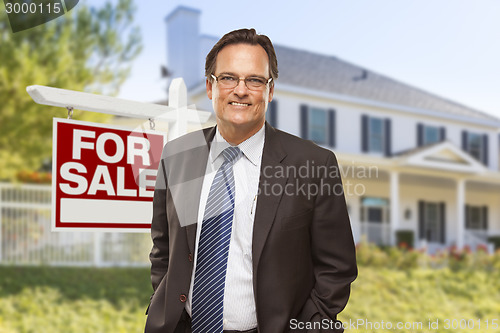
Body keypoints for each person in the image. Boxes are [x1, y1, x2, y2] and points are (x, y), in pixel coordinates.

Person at [145, 28, 357, 333]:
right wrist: (161, 305)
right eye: (228, 78)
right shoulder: (179, 156)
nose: (240, 90)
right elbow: (163, 248)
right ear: (210, 86)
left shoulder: (313, 164)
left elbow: (337, 268)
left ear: (270, 91)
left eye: (255, 80)